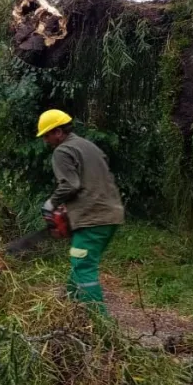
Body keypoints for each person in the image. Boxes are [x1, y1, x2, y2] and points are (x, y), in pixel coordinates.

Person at [37, 109, 125, 316]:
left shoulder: (62, 151)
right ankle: (69, 311)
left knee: (84, 268)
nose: (46, 141)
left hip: (92, 218)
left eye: (47, 135)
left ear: (58, 132)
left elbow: (70, 184)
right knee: (80, 264)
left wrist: (51, 203)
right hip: (111, 214)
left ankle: (102, 328)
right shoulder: (89, 146)